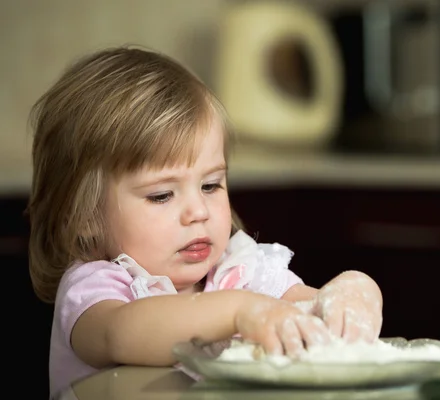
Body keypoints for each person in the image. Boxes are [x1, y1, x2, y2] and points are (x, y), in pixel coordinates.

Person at [27, 47, 383, 398]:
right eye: (162, 195)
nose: (198, 211)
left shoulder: (243, 272)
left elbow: (313, 307)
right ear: (85, 217)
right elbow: (121, 334)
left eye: (210, 185)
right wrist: (241, 311)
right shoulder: (95, 289)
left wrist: (355, 289)